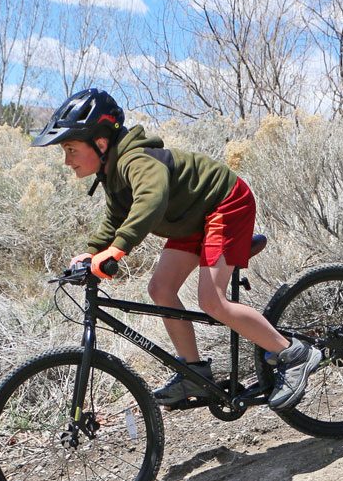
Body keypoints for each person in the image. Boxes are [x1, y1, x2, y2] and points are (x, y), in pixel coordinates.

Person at [31, 88, 321, 412]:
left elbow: (151, 200)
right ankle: (194, 373)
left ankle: (294, 353)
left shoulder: (136, 160)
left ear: (100, 143)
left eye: (70, 149)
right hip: (194, 219)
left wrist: (117, 250)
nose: (66, 160)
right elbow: (116, 218)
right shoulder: (111, 174)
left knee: (212, 301)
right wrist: (92, 252)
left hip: (224, 202)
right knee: (160, 288)